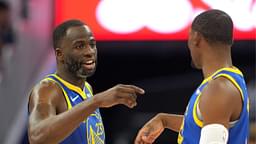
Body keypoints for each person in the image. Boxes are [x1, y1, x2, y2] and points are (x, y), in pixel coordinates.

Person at [135, 9, 249, 144]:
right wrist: (164, 120)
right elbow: (206, 121)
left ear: (196, 38)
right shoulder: (231, 78)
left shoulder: (218, 89)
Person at [28, 19, 145, 144]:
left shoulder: (87, 89)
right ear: (60, 54)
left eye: (92, 44)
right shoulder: (48, 89)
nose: (90, 52)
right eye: (79, 46)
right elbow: (37, 137)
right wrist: (96, 101)